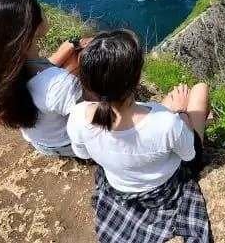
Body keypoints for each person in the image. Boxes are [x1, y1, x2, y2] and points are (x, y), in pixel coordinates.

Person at [67, 29, 212, 243]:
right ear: (136, 79)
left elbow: (83, 153)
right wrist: (181, 114)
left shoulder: (78, 116)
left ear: (88, 83)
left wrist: (164, 110)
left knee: (162, 110)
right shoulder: (166, 124)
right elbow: (191, 157)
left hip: (120, 186)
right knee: (200, 89)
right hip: (164, 189)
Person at [0, 0, 89, 157]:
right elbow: (92, 124)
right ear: (33, 26)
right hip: (66, 144)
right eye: (39, 7)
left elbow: (39, 75)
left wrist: (68, 48)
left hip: (40, 141)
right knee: (85, 62)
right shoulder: (60, 84)